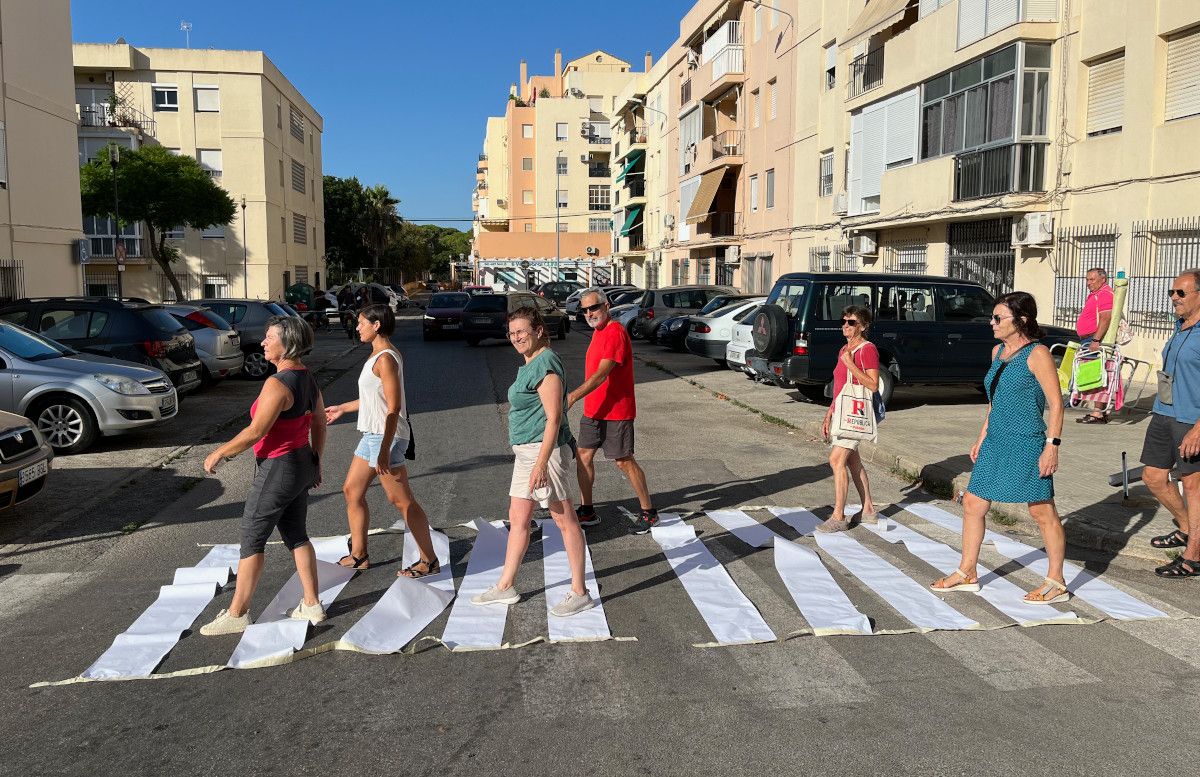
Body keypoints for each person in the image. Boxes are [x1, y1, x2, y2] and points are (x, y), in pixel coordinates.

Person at [931, 292, 1069, 603]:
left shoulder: (1038, 354)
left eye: (997, 318)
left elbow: (1057, 405)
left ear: (1022, 320)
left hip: (1027, 442)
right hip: (996, 440)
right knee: (973, 503)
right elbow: (995, 402)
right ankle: (967, 572)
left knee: (1041, 511)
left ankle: (1057, 582)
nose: (991, 323)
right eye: (992, 318)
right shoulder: (997, 352)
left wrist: (1052, 446)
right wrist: (982, 435)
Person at [199, 316, 327, 635]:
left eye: (270, 337)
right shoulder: (307, 377)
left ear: (288, 343)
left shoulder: (278, 383)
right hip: (300, 462)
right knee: (296, 534)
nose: (263, 342)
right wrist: (316, 460)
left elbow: (256, 431)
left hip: (279, 467)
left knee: (252, 537)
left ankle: (237, 613)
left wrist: (220, 452)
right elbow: (319, 421)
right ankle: (312, 604)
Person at [471, 305, 594, 617]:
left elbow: (554, 418)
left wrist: (541, 464)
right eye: (512, 333)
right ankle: (505, 586)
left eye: (521, 332)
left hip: (545, 452)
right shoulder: (530, 362)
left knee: (564, 519)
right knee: (519, 517)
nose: (516, 338)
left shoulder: (546, 364)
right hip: (528, 452)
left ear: (538, 331)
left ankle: (580, 592)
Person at [325, 304, 439, 577]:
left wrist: (384, 449)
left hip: (386, 436)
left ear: (376, 325)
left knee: (401, 501)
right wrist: (342, 408)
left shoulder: (386, 358)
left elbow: (393, 407)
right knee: (352, 490)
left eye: (361, 323)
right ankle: (359, 555)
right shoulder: (376, 355)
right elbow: (372, 399)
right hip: (372, 434)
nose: (357, 327)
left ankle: (429, 560)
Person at [566, 287, 658, 534]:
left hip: (616, 410)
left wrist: (572, 396)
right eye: (585, 310)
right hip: (594, 409)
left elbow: (601, 374)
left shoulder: (615, 332)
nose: (589, 313)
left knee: (623, 461)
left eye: (594, 307)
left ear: (606, 306)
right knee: (583, 456)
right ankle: (587, 511)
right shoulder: (598, 332)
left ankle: (649, 512)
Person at [1142, 270, 1200, 576]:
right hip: (1164, 412)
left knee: (1192, 485)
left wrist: (1198, 429)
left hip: (1191, 419)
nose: (1174, 298)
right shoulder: (1180, 325)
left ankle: (1194, 557)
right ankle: (1187, 528)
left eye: (1180, 293)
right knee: (1153, 477)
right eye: (1171, 292)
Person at [817, 305, 879, 533]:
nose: (845, 325)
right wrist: (829, 413)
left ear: (863, 326)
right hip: (842, 412)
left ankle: (839, 516)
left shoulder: (867, 349)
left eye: (851, 322)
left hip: (855, 413)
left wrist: (851, 364)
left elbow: (873, 384)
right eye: (843, 321)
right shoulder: (844, 349)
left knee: (836, 460)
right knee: (853, 462)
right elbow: (840, 386)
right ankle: (868, 510)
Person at [1076, 267, 1115, 424]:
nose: (1088, 283)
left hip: (1094, 340)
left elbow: (1105, 318)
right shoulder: (1096, 294)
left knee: (1097, 375)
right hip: (1089, 339)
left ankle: (1098, 412)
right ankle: (1098, 411)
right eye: (1087, 279)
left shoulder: (1104, 294)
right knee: (1093, 375)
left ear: (1102, 279)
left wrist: (1096, 340)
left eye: (1092, 279)